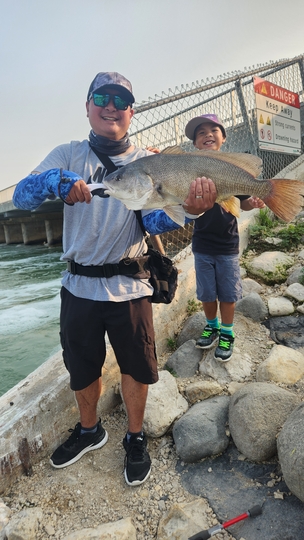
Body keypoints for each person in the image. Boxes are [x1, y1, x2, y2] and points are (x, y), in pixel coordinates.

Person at [13, 72, 217, 486]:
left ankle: (135, 436)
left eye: (121, 100)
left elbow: (156, 220)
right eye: (102, 97)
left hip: (129, 285)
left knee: (137, 367)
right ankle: (90, 431)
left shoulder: (150, 160)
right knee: (82, 367)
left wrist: (193, 209)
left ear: (131, 112)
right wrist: (56, 181)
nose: (111, 106)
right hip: (78, 287)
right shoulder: (68, 154)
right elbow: (21, 196)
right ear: (87, 106)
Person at [184, 114, 265, 362]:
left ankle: (227, 332)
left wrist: (253, 200)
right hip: (202, 244)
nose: (208, 134)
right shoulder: (188, 169)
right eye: (201, 133)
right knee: (207, 293)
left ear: (223, 137)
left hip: (228, 245)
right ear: (195, 144)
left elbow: (244, 203)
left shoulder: (232, 170)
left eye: (213, 130)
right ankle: (212, 325)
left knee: (228, 293)